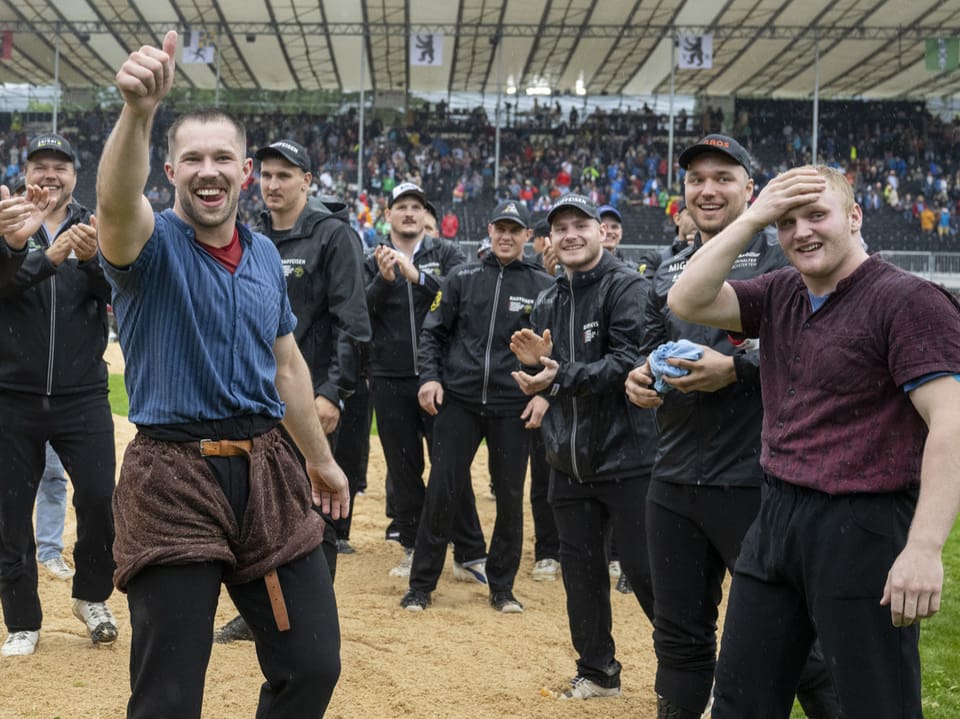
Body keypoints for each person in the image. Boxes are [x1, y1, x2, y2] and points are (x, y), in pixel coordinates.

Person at [96, 32, 349, 718]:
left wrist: (320, 460)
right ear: (171, 170)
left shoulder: (266, 254)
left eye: (223, 159)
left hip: (268, 470)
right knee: (170, 698)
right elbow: (116, 205)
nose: (209, 170)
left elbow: (287, 364)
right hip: (173, 479)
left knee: (311, 665)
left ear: (245, 173)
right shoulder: (148, 244)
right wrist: (138, 114)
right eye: (193, 159)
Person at [666, 164, 960, 718]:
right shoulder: (781, 292)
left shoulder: (909, 300)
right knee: (739, 702)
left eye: (817, 215)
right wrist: (753, 216)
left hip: (864, 525)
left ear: (854, 217)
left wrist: (922, 549)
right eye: (788, 222)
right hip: (775, 517)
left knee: (877, 706)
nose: (801, 232)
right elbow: (686, 298)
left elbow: (952, 423)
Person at [625, 135, 840, 719]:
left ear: (752, 188)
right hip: (672, 479)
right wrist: (639, 378)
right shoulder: (669, 267)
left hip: (756, 481)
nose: (708, 189)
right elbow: (647, 350)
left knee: (801, 646)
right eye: (696, 179)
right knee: (677, 639)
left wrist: (736, 369)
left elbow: (818, 354)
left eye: (723, 177)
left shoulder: (788, 255)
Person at [214, 139, 371, 643]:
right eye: (267, 175)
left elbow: (354, 325)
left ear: (308, 180)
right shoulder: (251, 236)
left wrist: (331, 393)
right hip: (260, 401)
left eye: (286, 175)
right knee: (265, 508)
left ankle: (309, 619)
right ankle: (266, 612)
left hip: (315, 398)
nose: (274, 184)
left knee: (318, 512)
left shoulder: (333, 237)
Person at [510, 194, 657, 700]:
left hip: (628, 459)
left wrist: (557, 377)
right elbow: (553, 378)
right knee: (582, 574)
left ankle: (689, 669)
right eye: (560, 228)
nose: (570, 235)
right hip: (567, 462)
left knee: (648, 574)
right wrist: (535, 375)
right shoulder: (550, 299)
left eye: (580, 225)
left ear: (600, 231)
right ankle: (597, 671)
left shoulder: (628, 287)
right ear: (549, 239)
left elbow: (627, 365)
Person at [400, 200, 554, 612]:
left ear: (526, 236)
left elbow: (557, 351)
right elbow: (432, 333)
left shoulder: (542, 286)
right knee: (442, 489)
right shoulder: (461, 277)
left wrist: (543, 394)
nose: (506, 236)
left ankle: (502, 588)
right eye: (499, 228)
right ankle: (421, 586)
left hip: (512, 404)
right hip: (460, 401)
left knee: (509, 496)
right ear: (489, 231)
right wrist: (430, 377)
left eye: (514, 230)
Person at [0, 133, 118, 658]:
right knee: (9, 512)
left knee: (98, 496)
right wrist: (39, 257)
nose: (50, 175)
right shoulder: (5, 218)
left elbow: (119, 291)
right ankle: (22, 620)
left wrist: (93, 262)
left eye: (60, 167)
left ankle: (91, 596)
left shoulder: (98, 222)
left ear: (76, 176)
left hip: (82, 393)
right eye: (40, 165)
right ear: (26, 172)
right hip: (11, 392)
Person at [364, 182, 486, 578]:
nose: (409, 213)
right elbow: (360, 311)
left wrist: (417, 277)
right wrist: (384, 281)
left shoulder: (446, 254)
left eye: (416, 206)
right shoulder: (373, 257)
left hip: (439, 376)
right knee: (403, 469)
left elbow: (460, 300)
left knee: (449, 464)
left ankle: (468, 552)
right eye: (401, 206)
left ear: (426, 216)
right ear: (389, 215)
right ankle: (413, 547)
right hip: (389, 376)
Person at [36, 442, 74, 580]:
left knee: (53, 478)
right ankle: (10, 556)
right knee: (11, 480)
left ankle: (49, 553)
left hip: (55, 422)